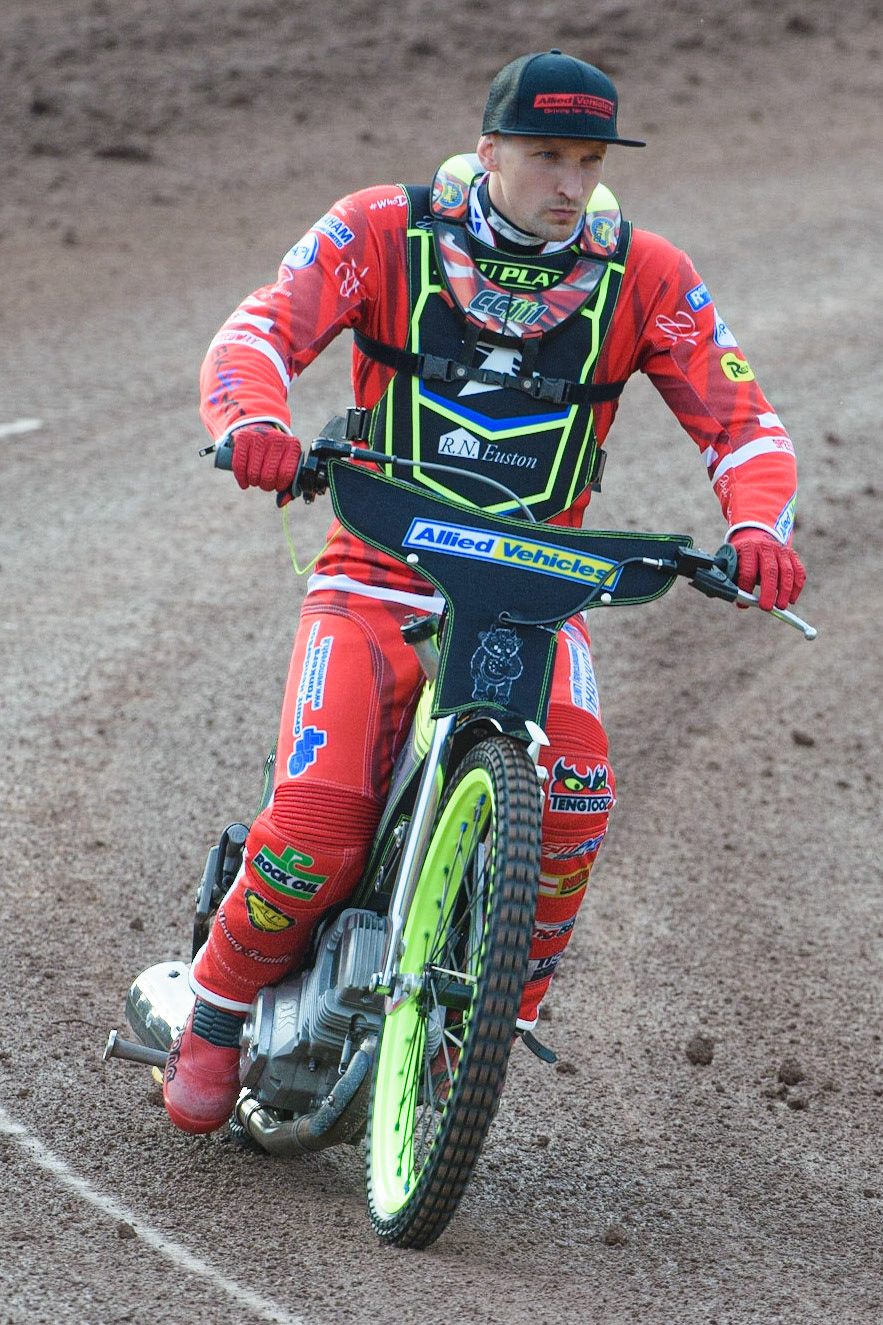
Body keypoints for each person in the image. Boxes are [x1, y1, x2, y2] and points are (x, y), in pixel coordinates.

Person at [163, 50, 806, 1133]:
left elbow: (743, 424)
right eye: (546, 156)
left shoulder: (648, 273)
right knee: (314, 831)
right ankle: (216, 1014)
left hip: (535, 588)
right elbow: (258, 331)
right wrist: (255, 420)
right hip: (378, 573)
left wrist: (757, 526)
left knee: (577, 797)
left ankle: (483, 1023)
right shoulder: (380, 228)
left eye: (588, 161)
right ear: (490, 148)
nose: (570, 183)